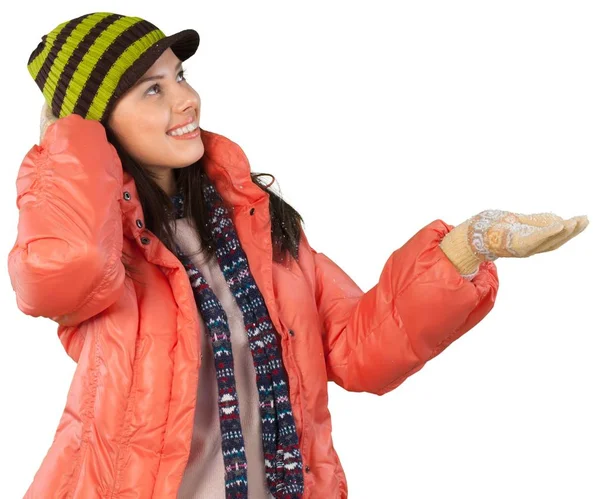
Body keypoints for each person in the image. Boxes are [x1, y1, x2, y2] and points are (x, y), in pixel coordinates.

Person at [8, 11, 588, 499]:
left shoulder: (254, 222)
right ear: (93, 123)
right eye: (153, 89)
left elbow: (361, 349)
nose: (187, 100)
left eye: (180, 76)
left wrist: (469, 245)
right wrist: (69, 141)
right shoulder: (105, 244)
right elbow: (63, 273)